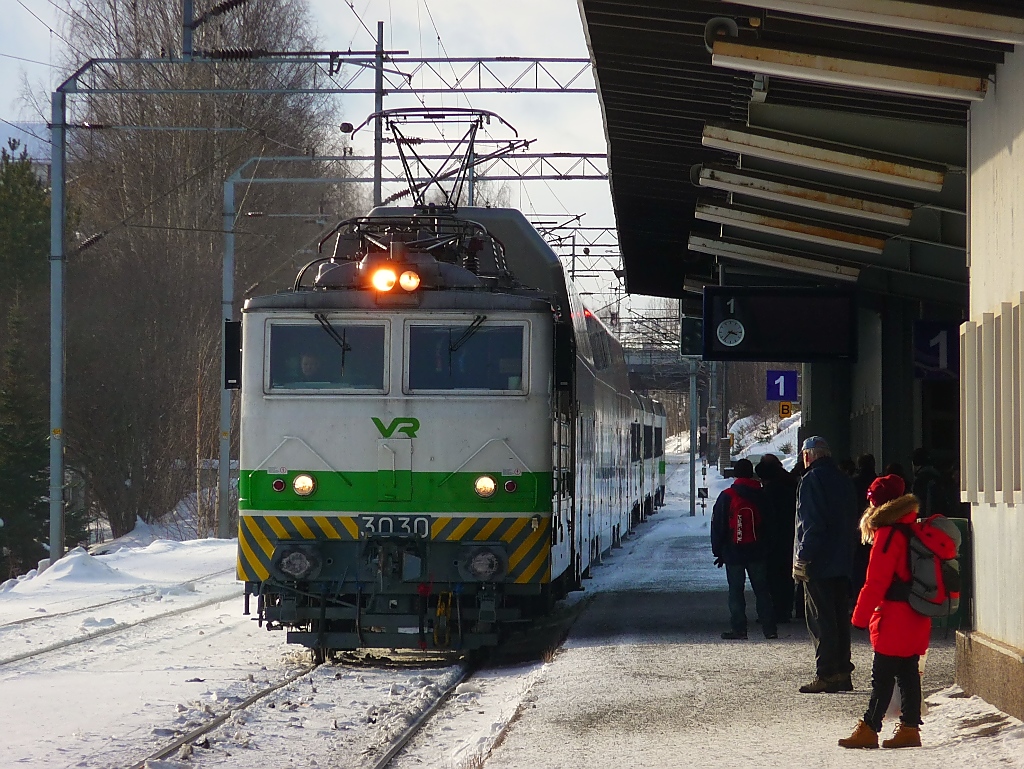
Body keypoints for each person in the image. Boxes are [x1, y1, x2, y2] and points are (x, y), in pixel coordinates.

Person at [839, 474, 929, 749]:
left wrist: (859, 617)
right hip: (916, 611)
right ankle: (910, 729)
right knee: (908, 673)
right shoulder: (912, 528)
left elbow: (876, 582)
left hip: (893, 615)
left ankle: (870, 728)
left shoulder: (888, 535)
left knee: (883, 676)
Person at [793, 436, 860, 693]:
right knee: (840, 618)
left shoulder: (811, 480)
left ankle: (827, 673)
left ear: (809, 455)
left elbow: (811, 523)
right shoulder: (843, 479)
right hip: (842, 560)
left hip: (819, 562)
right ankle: (843, 671)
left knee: (821, 620)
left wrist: (803, 556)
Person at [711, 458, 778, 640]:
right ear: (752, 474)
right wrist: (768, 547)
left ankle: (739, 629)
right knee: (762, 590)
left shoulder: (727, 496)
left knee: (736, 590)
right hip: (758, 551)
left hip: (733, 552)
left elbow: (718, 525)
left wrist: (718, 551)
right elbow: (771, 524)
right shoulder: (762, 495)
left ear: (735, 474)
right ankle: (769, 628)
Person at [755, 454, 797, 623]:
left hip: (773, 539)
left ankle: (776, 610)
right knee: (786, 575)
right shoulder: (790, 484)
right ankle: (785, 609)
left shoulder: (769, 492)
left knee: (773, 576)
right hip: (789, 536)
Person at [851, 454, 878, 596]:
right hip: (877, 527)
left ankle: (858, 597)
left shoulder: (853, 483)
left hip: (858, 528)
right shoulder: (878, 482)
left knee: (859, 567)